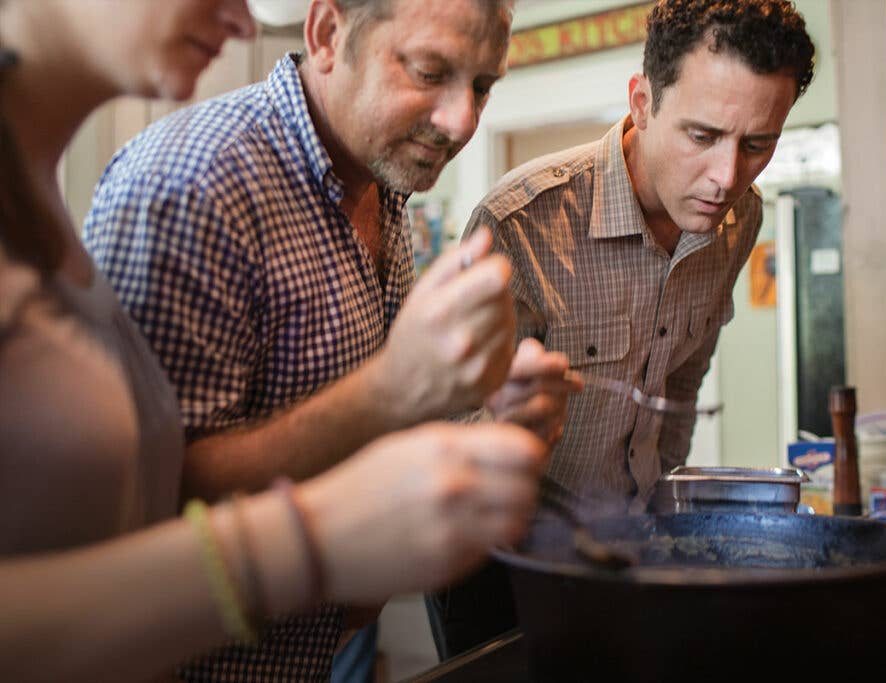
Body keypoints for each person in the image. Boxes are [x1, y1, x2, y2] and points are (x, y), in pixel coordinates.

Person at [0, 0, 550, 681]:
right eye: (428, 70)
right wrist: (316, 530)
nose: (463, 120)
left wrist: (479, 412)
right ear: (326, 35)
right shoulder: (190, 181)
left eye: (482, 86)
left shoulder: (383, 177)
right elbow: (156, 499)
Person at [427, 0, 817, 660]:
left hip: (630, 556)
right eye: (701, 136)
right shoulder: (521, 226)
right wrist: (506, 424)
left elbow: (683, 380)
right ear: (641, 102)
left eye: (757, 144)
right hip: (502, 566)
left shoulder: (739, 222)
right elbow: (442, 442)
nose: (726, 178)